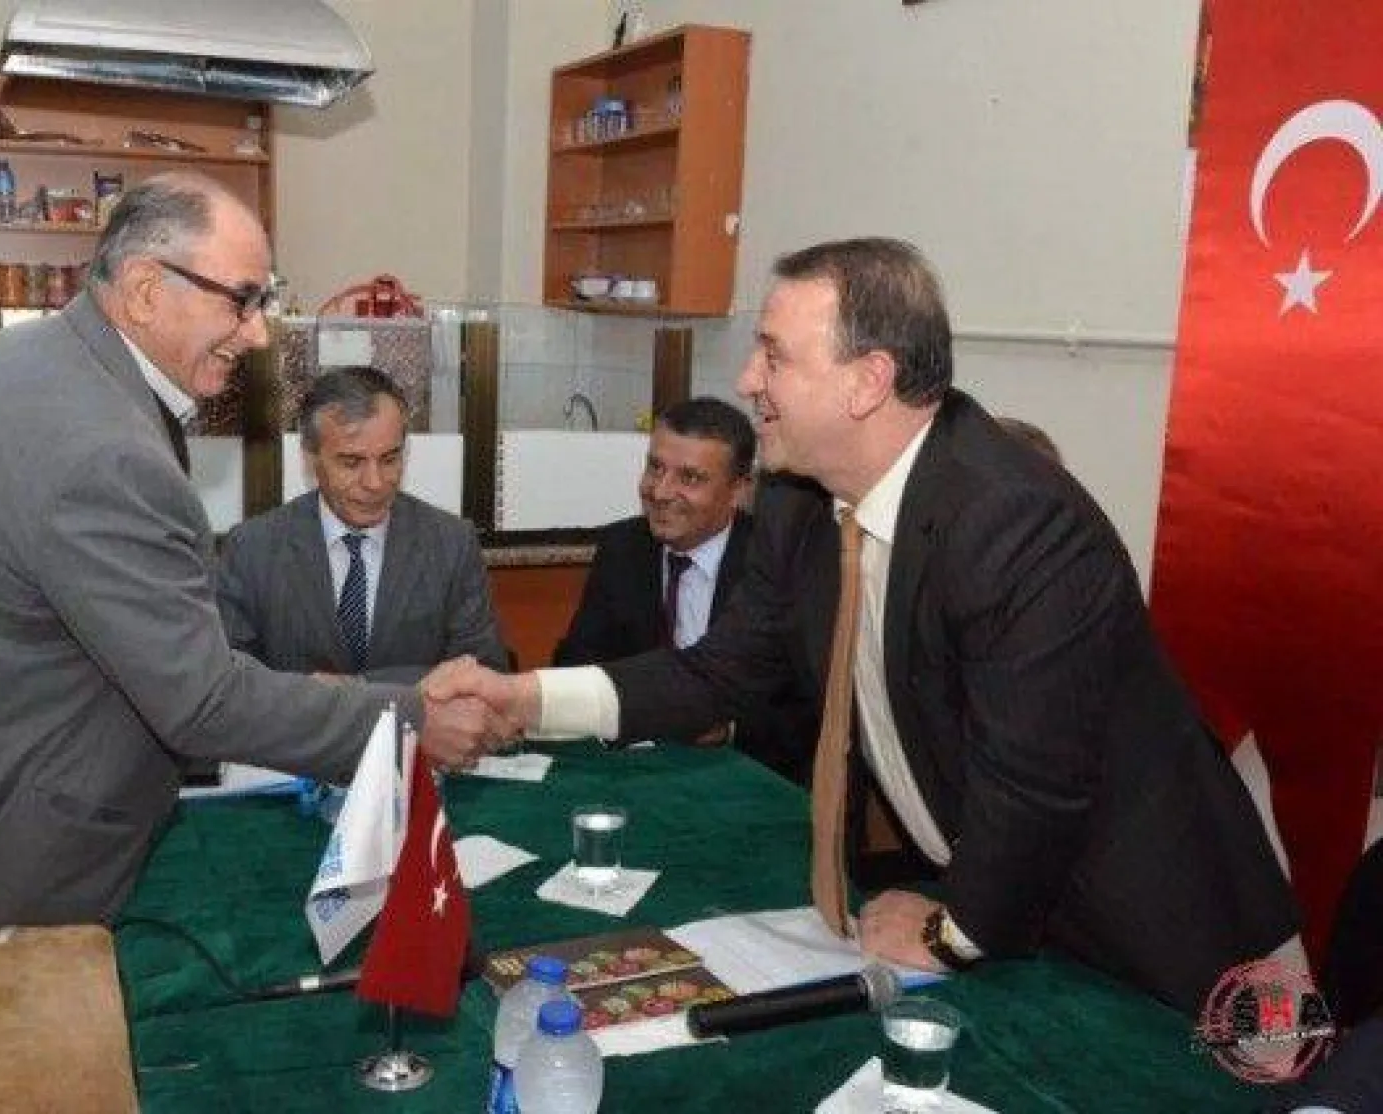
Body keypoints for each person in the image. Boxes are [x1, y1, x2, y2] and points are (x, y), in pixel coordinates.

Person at [428, 238, 1298, 1015]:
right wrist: (524, 697)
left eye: (773, 355)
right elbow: (717, 671)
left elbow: (1037, 789)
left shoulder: (1013, 521)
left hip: (1175, 935)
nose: (747, 382)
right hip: (1013, 919)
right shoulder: (804, 505)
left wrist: (954, 933)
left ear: (867, 379)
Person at [0, 172, 505, 928]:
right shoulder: (102, 446)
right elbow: (203, 699)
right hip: (28, 852)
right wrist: (411, 719)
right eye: (242, 300)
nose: (260, 332)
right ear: (144, 290)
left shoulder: (26, 363)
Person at [553, 396, 818, 786]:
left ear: (739, 490)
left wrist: (727, 728)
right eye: (655, 467)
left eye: (689, 478)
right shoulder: (623, 547)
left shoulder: (776, 562)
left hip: (750, 779)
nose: (660, 491)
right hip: (636, 775)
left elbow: (808, 707)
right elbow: (577, 664)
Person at [217, 365, 506, 683]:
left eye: (390, 459)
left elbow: (484, 676)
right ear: (311, 459)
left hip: (418, 733)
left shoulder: (451, 543)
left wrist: (356, 691)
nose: (375, 482)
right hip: (302, 734)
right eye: (351, 463)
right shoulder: (252, 549)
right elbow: (230, 685)